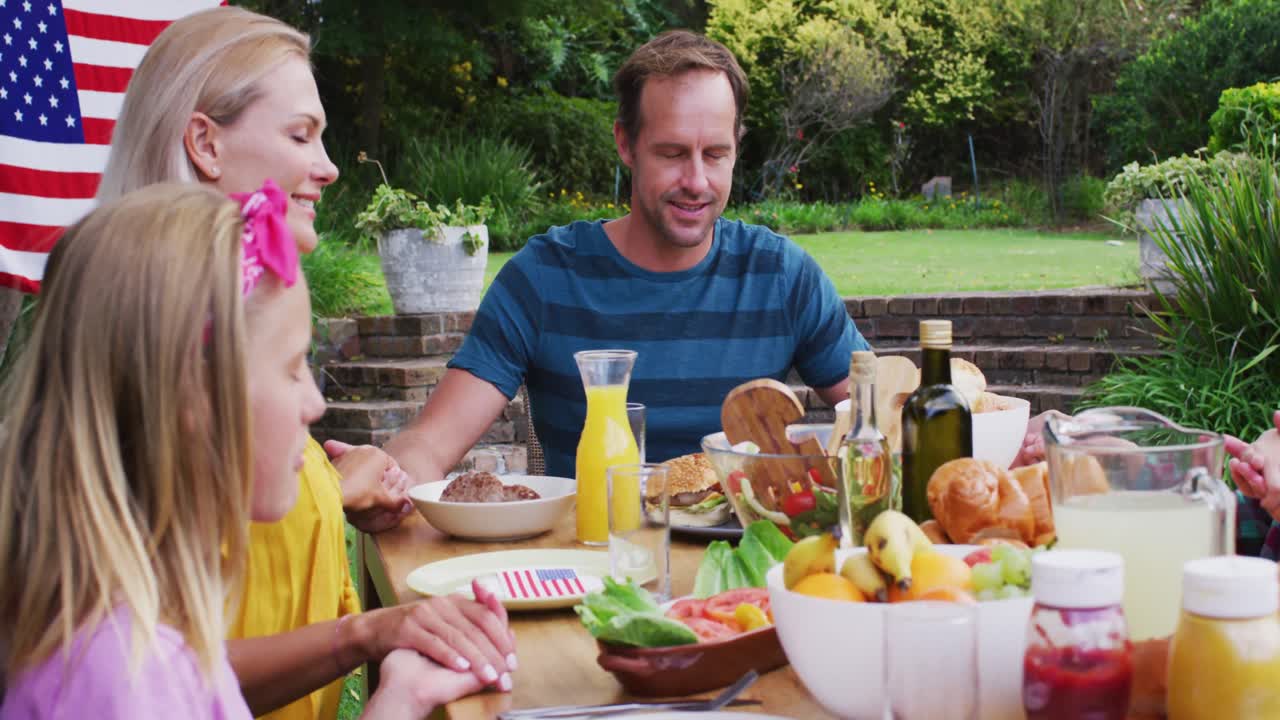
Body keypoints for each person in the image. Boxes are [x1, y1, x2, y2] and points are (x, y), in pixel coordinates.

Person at [93, 8, 515, 718]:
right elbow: (168, 670)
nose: (328, 166)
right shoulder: (146, 366)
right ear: (205, 141)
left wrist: (332, 482)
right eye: (301, 135)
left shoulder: (232, 326)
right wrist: (366, 633)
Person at [0, 183, 490, 719]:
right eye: (289, 369)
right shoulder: (126, 679)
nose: (311, 402)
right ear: (192, 397)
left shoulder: (122, 631)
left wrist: (402, 694)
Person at [384, 30, 871, 482]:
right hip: (589, 563)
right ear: (626, 144)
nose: (697, 182)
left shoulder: (782, 275)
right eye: (673, 153)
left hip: (744, 560)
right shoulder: (545, 277)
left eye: (716, 154)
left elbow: (881, 420)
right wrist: (387, 479)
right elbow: (431, 443)